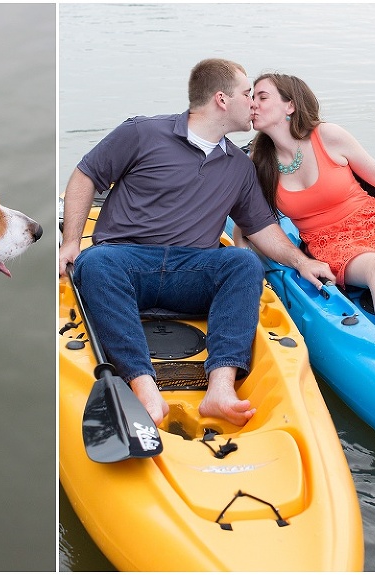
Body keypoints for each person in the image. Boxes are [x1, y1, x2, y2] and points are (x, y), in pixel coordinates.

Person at [58, 59, 335, 427]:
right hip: (125, 263)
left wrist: (301, 261)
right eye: (247, 94)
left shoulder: (240, 166)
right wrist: (71, 243)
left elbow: (262, 227)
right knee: (95, 263)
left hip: (191, 271)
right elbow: (85, 175)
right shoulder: (142, 132)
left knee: (243, 262)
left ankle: (220, 389)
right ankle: (144, 388)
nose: (253, 103)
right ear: (222, 100)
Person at [242, 73, 375, 362]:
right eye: (251, 98)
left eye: (262, 97)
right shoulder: (259, 163)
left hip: (374, 220)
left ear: (290, 106)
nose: (253, 104)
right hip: (328, 242)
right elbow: (252, 223)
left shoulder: (327, 136)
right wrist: (244, 264)